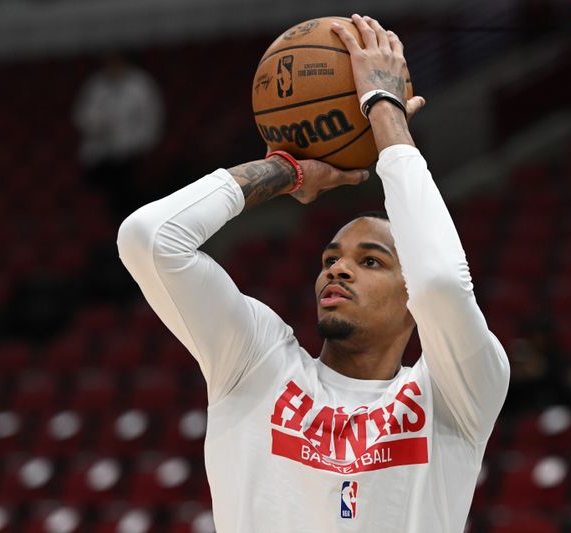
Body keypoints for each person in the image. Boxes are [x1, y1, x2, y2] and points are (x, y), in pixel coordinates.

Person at [117, 15, 509, 533]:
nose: (339, 269)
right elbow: (148, 239)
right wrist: (286, 170)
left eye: (371, 261)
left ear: (411, 299)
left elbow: (440, 282)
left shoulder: (456, 394)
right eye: (330, 259)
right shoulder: (256, 364)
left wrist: (383, 110)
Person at [73, 52, 164, 218]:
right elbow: (83, 117)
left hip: (133, 155)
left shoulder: (141, 85)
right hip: (101, 156)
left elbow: (151, 121)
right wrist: (99, 126)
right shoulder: (96, 85)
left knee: (130, 190)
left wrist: (134, 145)